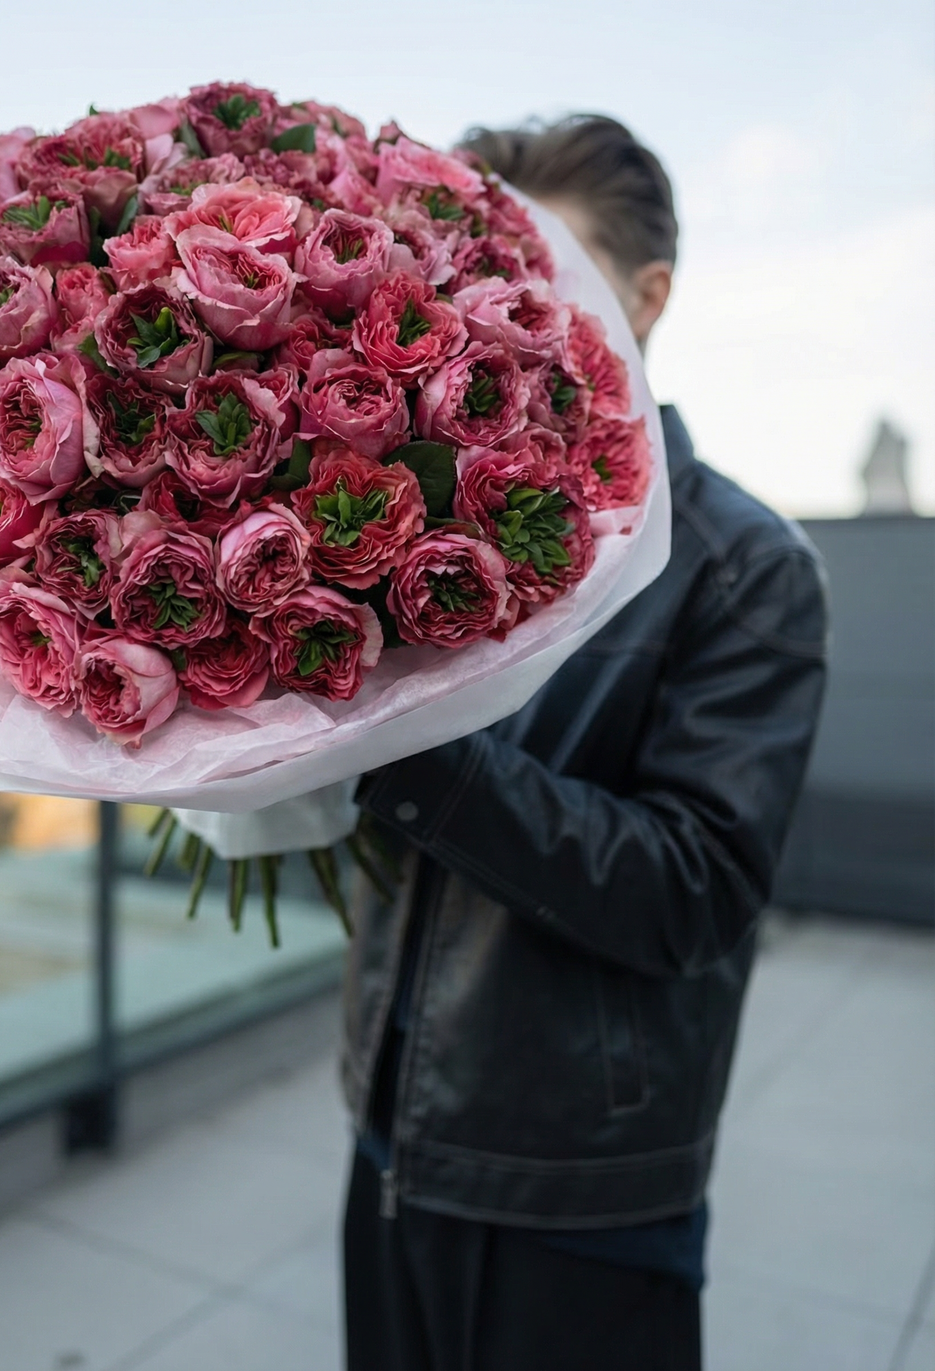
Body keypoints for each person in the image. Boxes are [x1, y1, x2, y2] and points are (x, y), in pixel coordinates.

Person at [342, 115, 828, 1371]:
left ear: (648, 296)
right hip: (386, 1130)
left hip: (584, 1190)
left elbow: (692, 888)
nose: (503, 302)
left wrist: (413, 751)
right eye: (478, 265)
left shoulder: (747, 565)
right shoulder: (415, 518)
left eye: (545, 267)